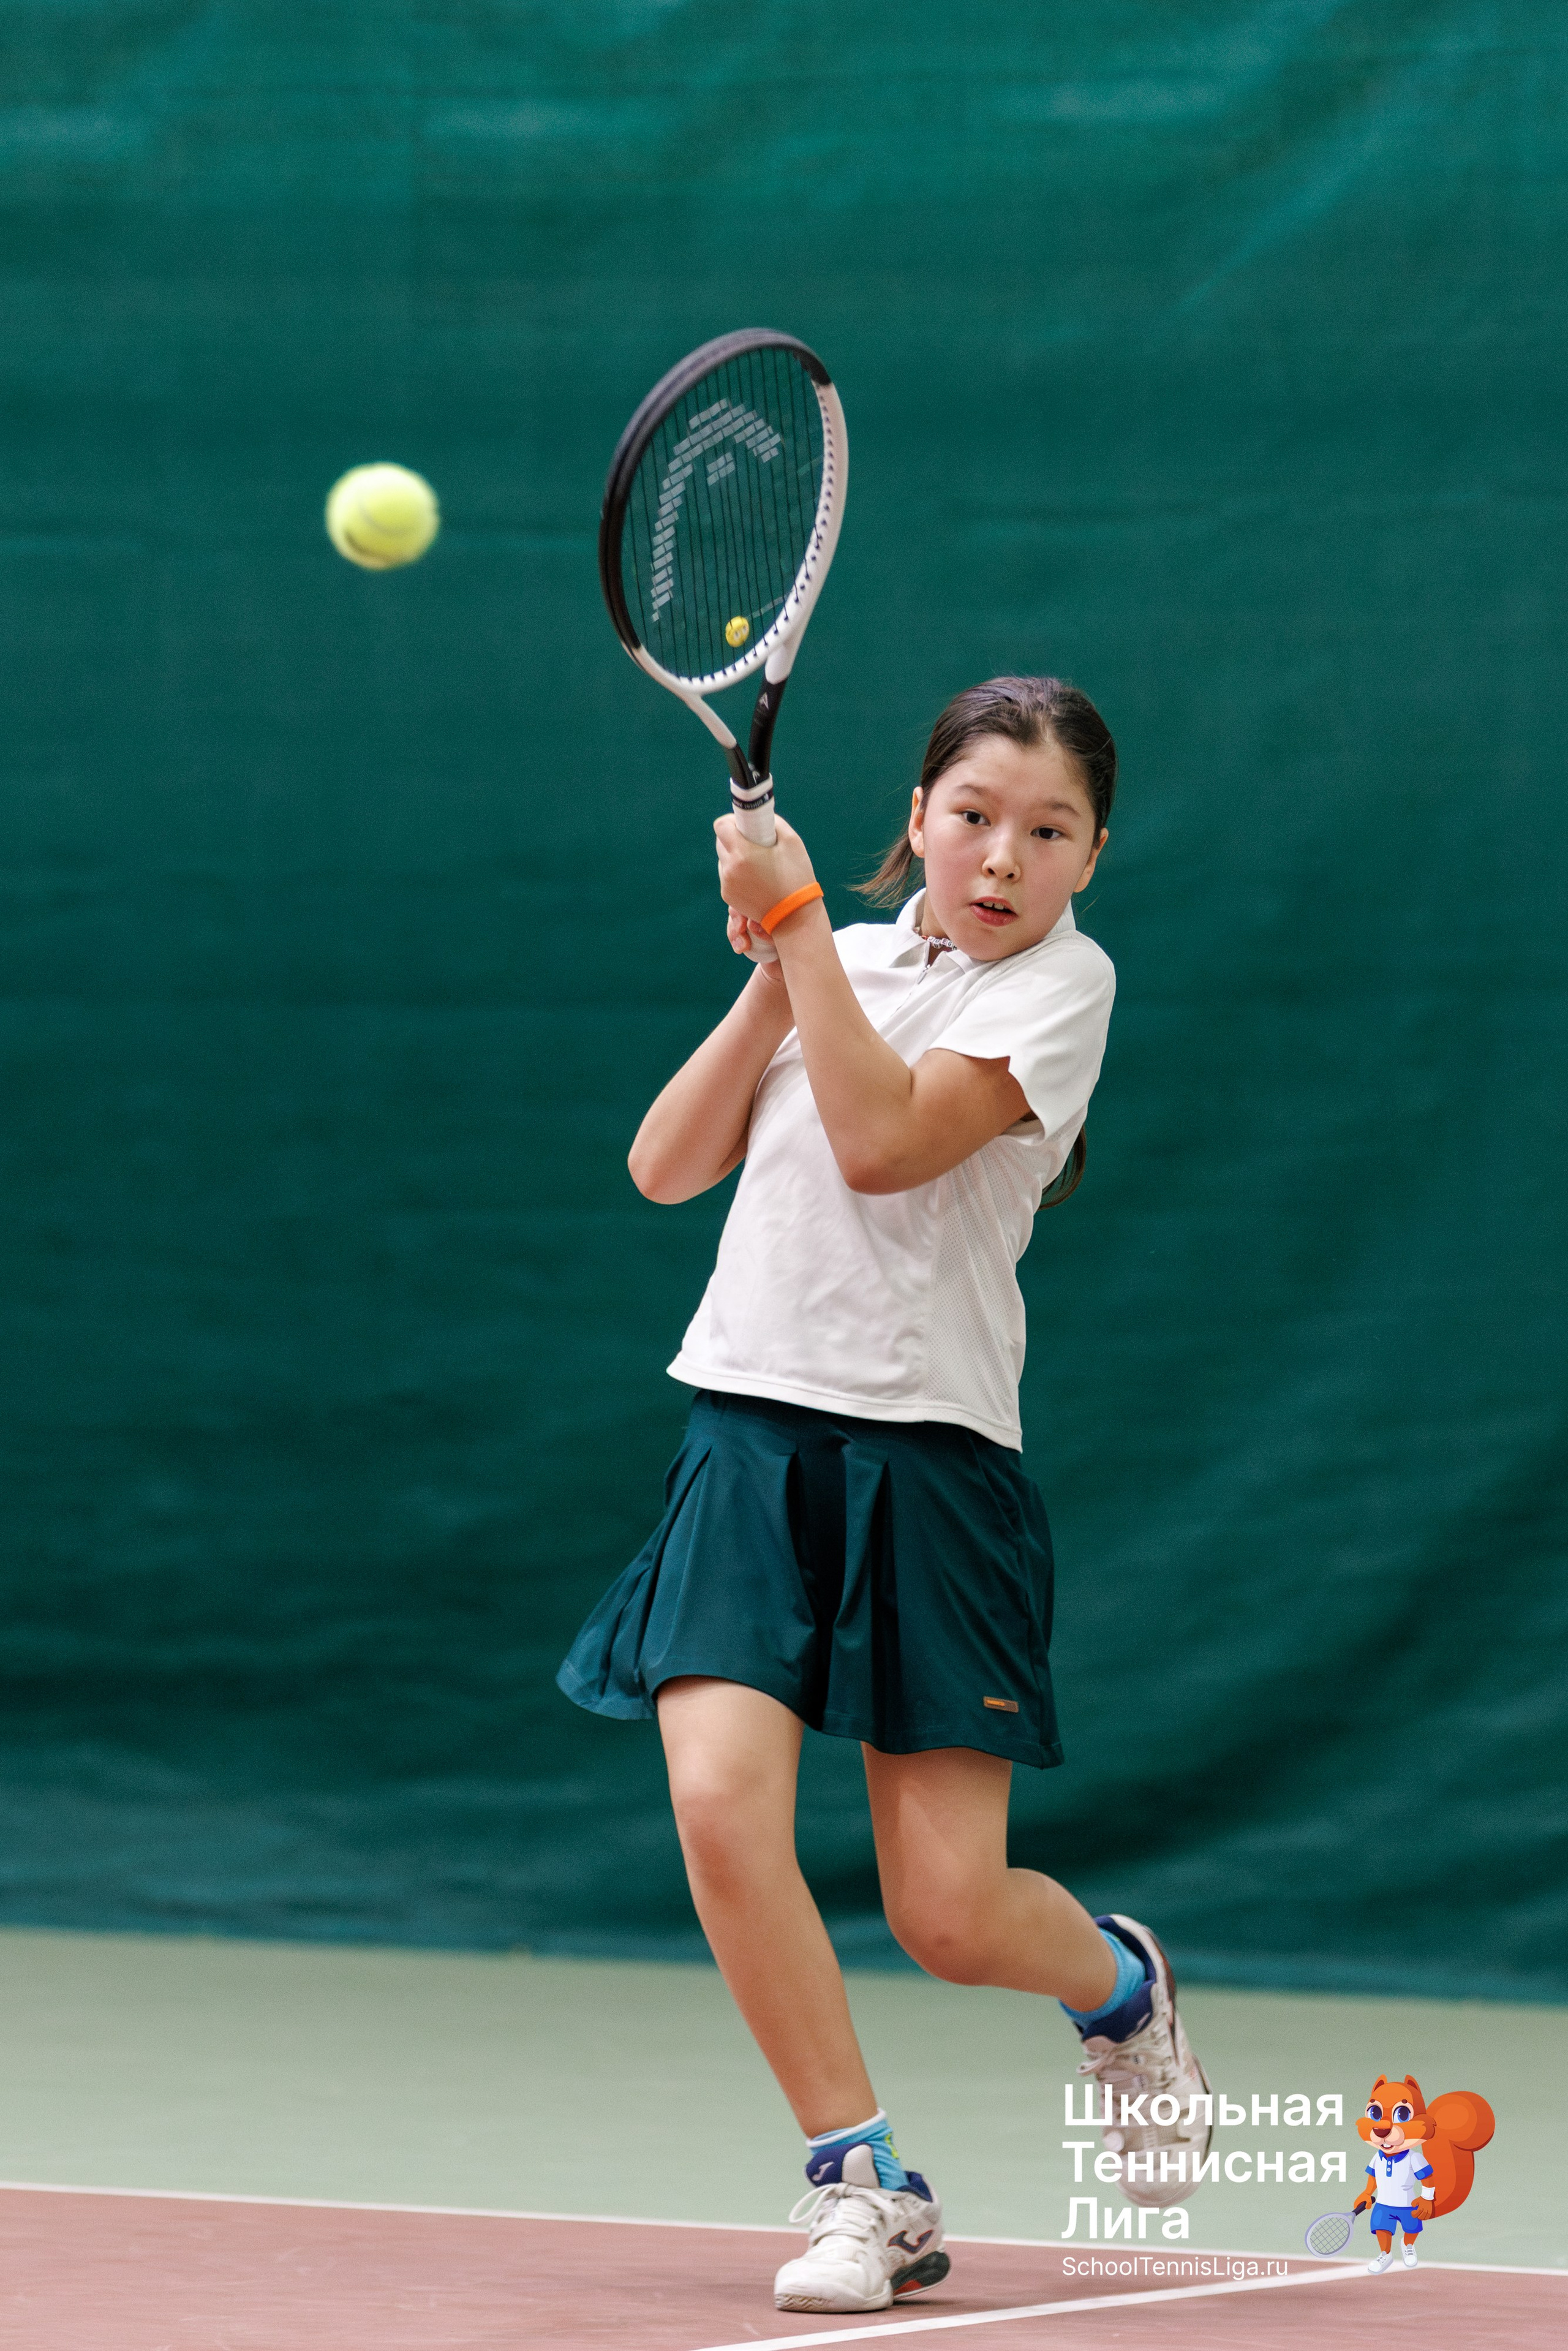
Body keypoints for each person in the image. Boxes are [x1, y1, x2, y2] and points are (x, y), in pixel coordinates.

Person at [558, 676, 1209, 2314]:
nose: (1001, 856)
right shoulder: (838, 963)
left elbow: (882, 1141)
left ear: (1090, 859)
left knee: (948, 1916)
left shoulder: (1067, 989)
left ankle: (1124, 1992)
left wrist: (790, 939)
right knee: (717, 1806)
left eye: (1045, 831)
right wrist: (790, 960)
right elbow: (662, 1165)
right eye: (973, 815)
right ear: (917, 816)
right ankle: (865, 2181)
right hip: (749, 1441)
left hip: (931, 1468)